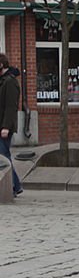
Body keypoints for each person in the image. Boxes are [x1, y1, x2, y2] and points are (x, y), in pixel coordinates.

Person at [0, 53, 23, 197]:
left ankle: (14, 185)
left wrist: (6, 127)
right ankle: (15, 185)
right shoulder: (2, 81)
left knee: (3, 155)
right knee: (3, 155)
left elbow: (11, 107)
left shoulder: (10, 82)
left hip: (4, 126)